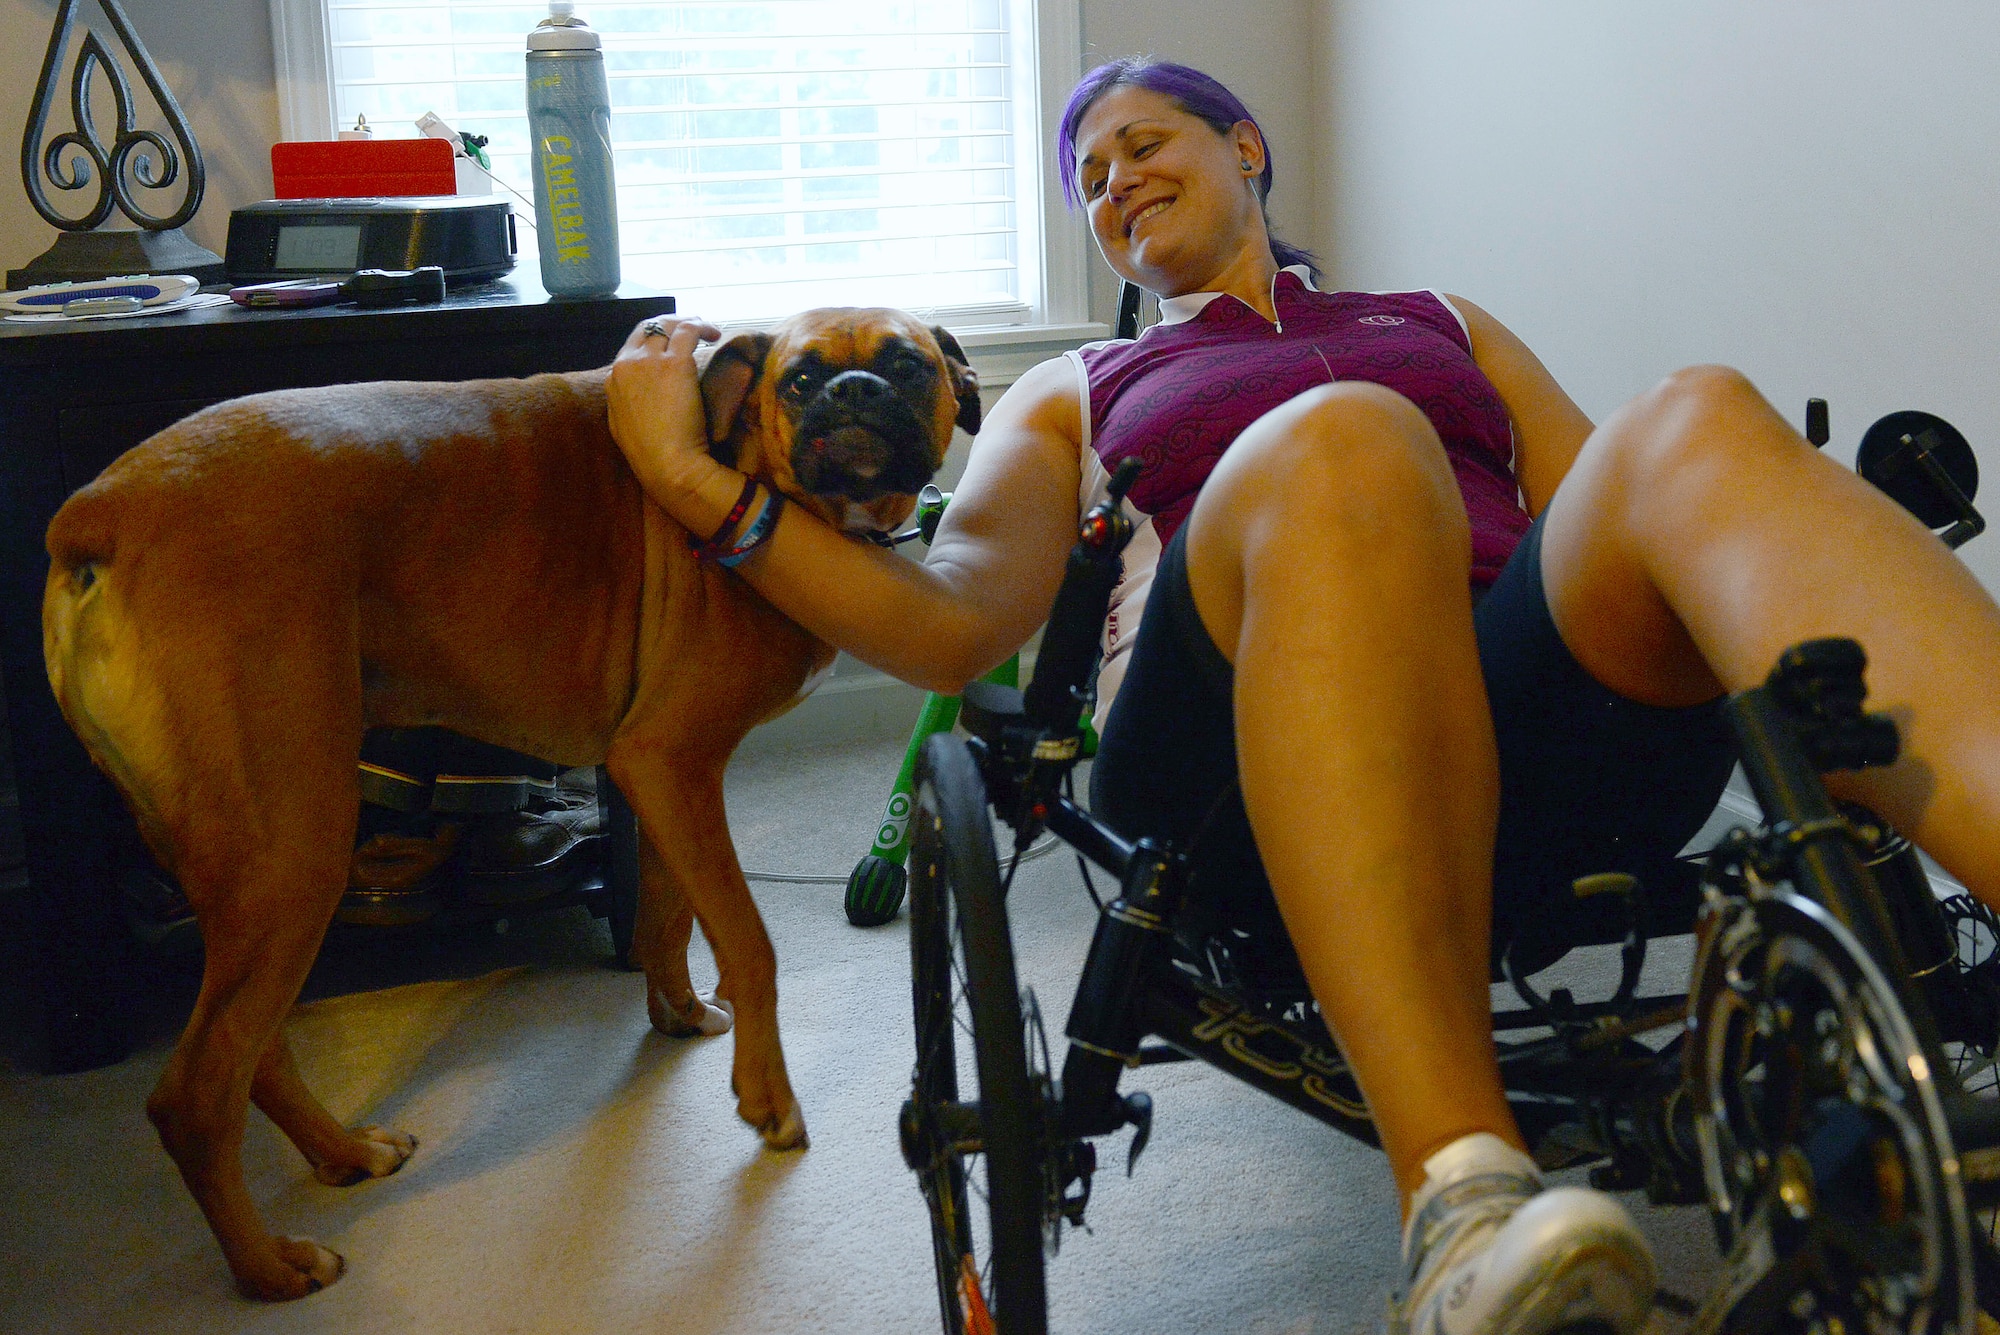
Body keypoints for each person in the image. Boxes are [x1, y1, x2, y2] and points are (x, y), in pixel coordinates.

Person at [603, 57, 2000, 1335]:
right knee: (1348, 440)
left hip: (1535, 732)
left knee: (1697, 415)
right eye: (1089, 179)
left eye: (1143, 143)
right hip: (1227, 779)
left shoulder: (1437, 319)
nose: (1115, 183)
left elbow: (1609, 514)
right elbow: (946, 625)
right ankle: (1464, 1209)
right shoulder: (1081, 383)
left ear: (1247, 147)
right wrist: (693, 481)